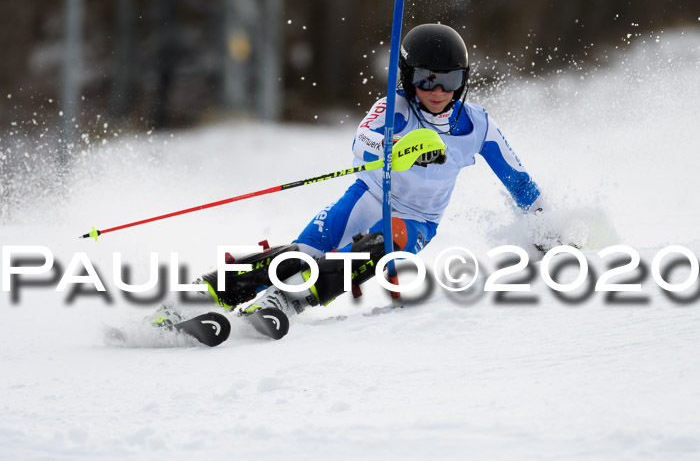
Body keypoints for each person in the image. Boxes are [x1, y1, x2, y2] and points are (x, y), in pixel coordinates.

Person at [148, 23, 545, 329]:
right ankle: (200, 296)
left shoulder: (477, 126)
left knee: (381, 242)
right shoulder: (395, 108)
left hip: (417, 219)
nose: (438, 91)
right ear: (408, 76)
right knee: (299, 254)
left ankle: (289, 300)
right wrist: (398, 152)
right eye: (426, 79)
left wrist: (547, 228)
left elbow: (519, 182)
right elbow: (361, 144)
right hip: (368, 195)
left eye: (450, 80)